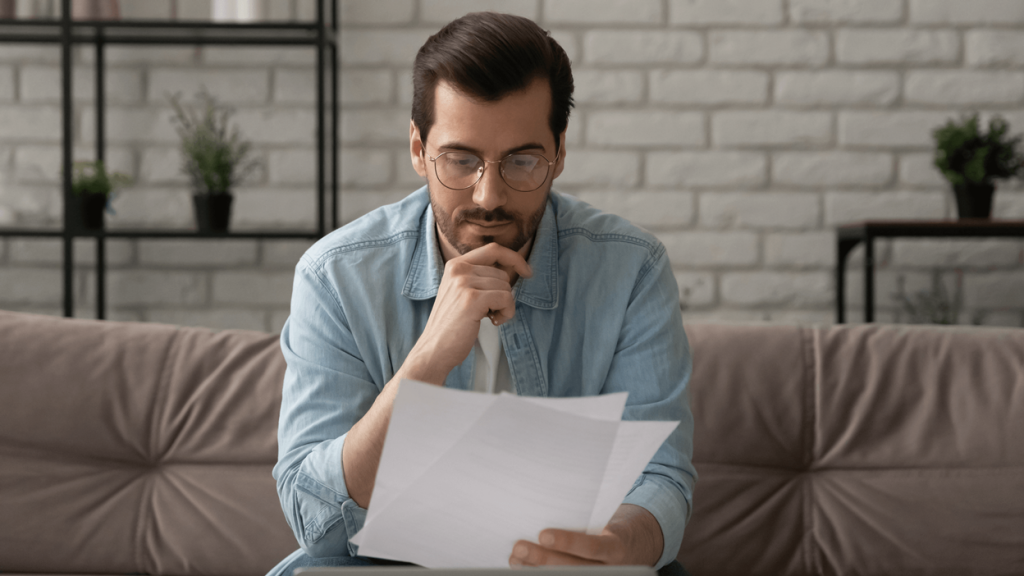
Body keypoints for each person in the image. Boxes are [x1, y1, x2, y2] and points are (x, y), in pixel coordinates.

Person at [268, 11, 696, 576]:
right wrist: (427, 361)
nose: (488, 195)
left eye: (521, 160)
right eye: (461, 159)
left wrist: (618, 546)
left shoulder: (631, 268)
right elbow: (315, 520)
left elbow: (660, 476)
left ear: (559, 152)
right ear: (419, 149)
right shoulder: (335, 276)